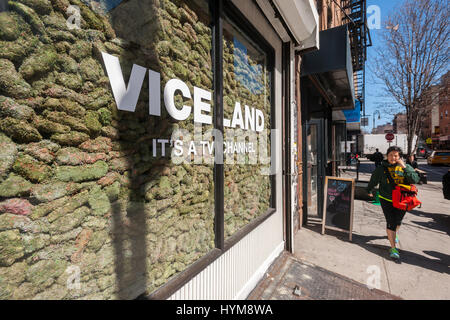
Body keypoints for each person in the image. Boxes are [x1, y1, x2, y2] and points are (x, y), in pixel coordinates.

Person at [367, 146, 420, 261]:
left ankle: (393, 233)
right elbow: (373, 180)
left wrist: (404, 167)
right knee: (391, 222)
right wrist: (369, 190)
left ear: (400, 157)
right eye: (390, 155)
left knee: (398, 221)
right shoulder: (381, 168)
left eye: (396, 155)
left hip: (402, 200)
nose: (393, 157)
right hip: (386, 199)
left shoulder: (406, 167)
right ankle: (393, 248)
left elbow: (415, 180)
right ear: (387, 156)